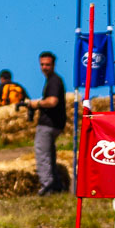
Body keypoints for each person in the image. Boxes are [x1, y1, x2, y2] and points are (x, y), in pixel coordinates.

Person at [27, 51, 67, 195]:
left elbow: (52, 101)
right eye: (42, 64)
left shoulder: (54, 81)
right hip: (55, 125)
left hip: (48, 125)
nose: (44, 67)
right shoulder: (51, 80)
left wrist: (35, 104)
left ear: (53, 65)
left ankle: (47, 187)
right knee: (49, 155)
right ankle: (57, 186)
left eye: (47, 64)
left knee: (43, 155)